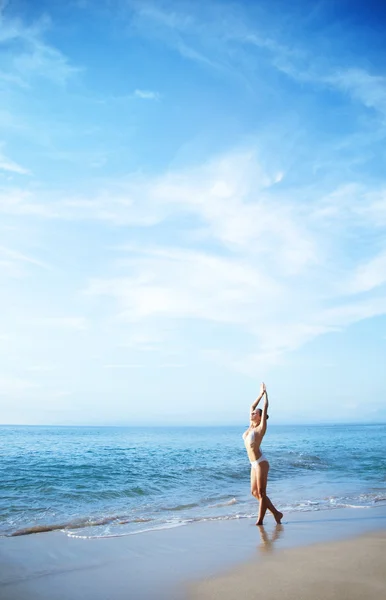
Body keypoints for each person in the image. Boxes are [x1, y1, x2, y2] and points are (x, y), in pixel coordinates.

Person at [242, 383, 283, 526]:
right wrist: (259, 394)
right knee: (254, 492)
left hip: (260, 463)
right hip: (253, 464)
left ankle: (260, 521)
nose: (252, 414)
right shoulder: (250, 426)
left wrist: (266, 395)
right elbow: (251, 407)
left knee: (261, 493)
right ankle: (277, 513)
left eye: (255, 414)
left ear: (261, 417)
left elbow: (265, 408)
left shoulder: (260, 428)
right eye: (252, 414)